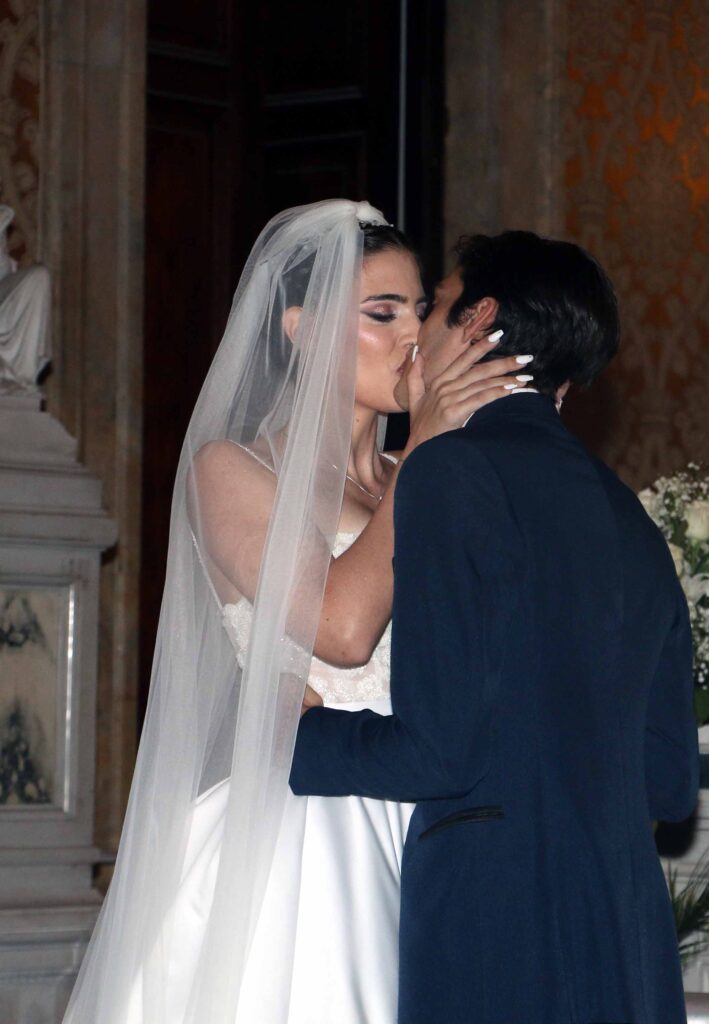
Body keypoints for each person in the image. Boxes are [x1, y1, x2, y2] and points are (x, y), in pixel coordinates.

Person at [62, 201, 532, 1024]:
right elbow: (342, 631)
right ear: (301, 329)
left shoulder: (421, 473)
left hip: (439, 815)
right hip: (310, 831)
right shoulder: (233, 469)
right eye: (381, 314)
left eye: (420, 310)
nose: (413, 336)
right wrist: (427, 448)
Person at [291, 230, 700, 1024]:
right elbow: (669, 785)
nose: (417, 334)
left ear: (476, 322)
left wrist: (295, 732)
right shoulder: (631, 519)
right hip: (624, 923)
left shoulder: (450, 469)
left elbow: (437, 748)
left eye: (435, 306)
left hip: (495, 916)